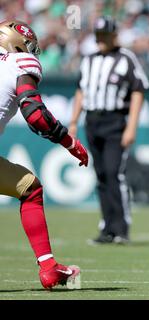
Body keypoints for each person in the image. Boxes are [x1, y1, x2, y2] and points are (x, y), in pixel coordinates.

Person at [0, 20, 88, 289]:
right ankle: (48, 267)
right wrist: (70, 142)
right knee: (31, 191)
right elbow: (36, 115)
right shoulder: (20, 62)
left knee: (30, 187)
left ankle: (50, 266)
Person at [69, 17, 149, 245]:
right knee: (102, 175)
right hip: (92, 121)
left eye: (105, 35)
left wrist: (131, 126)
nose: (101, 40)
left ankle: (121, 229)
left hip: (115, 122)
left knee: (115, 173)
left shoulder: (126, 59)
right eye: (98, 35)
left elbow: (138, 91)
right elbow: (80, 92)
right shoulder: (89, 61)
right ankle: (107, 228)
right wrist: (74, 121)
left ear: (114, 36)